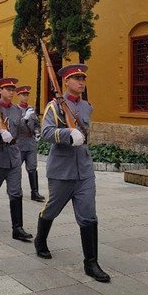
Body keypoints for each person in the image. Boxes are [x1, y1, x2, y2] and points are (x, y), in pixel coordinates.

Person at [35, 63, 110, 282]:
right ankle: (40, 239)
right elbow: (47, 133)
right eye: (76, 78)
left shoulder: (87, 106)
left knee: (89, 216)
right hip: (61, 171)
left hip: (84, 171)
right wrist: (68, 133)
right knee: (51, 210)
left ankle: (91, 263)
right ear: (65, 82)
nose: (81, 82)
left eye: (83, 78)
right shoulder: (54, 107)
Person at [0, 77, 33, 241]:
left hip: (14, 156)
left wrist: (26, 120)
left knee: (16, 192)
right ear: (0, 91)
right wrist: (0, 134)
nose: (11, 92)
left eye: (13, 89)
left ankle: (17, 228)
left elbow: (22, 129)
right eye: (7, 89)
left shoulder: (17, 110)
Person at [16, 85, 45, 202]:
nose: (26, 97)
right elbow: (15, 126)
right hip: (20, 142)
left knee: (32, 167)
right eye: (23, 95)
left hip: (31, 142)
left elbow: (36, 123)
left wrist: (37, 133)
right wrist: (24, 119)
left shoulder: (31, 109)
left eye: (27, 95)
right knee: (16, 168)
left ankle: (35, 192)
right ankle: (16, 190)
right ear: (18, 96)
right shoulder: (15, 110)